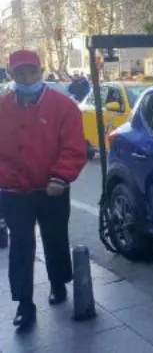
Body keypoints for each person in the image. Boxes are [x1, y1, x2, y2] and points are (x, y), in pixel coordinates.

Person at [0, 49, 87, 331]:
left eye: (31, 72)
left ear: (41, 72)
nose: (26, 78)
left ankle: (58, 281)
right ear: (12, 76)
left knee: (55, 239)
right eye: (19, 73)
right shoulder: (2, 107)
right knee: (21, 245)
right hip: (14, 191)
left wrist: (60, 178)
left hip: (52, 190)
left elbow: (74, 147)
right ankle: (24, 303)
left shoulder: (63, 107)